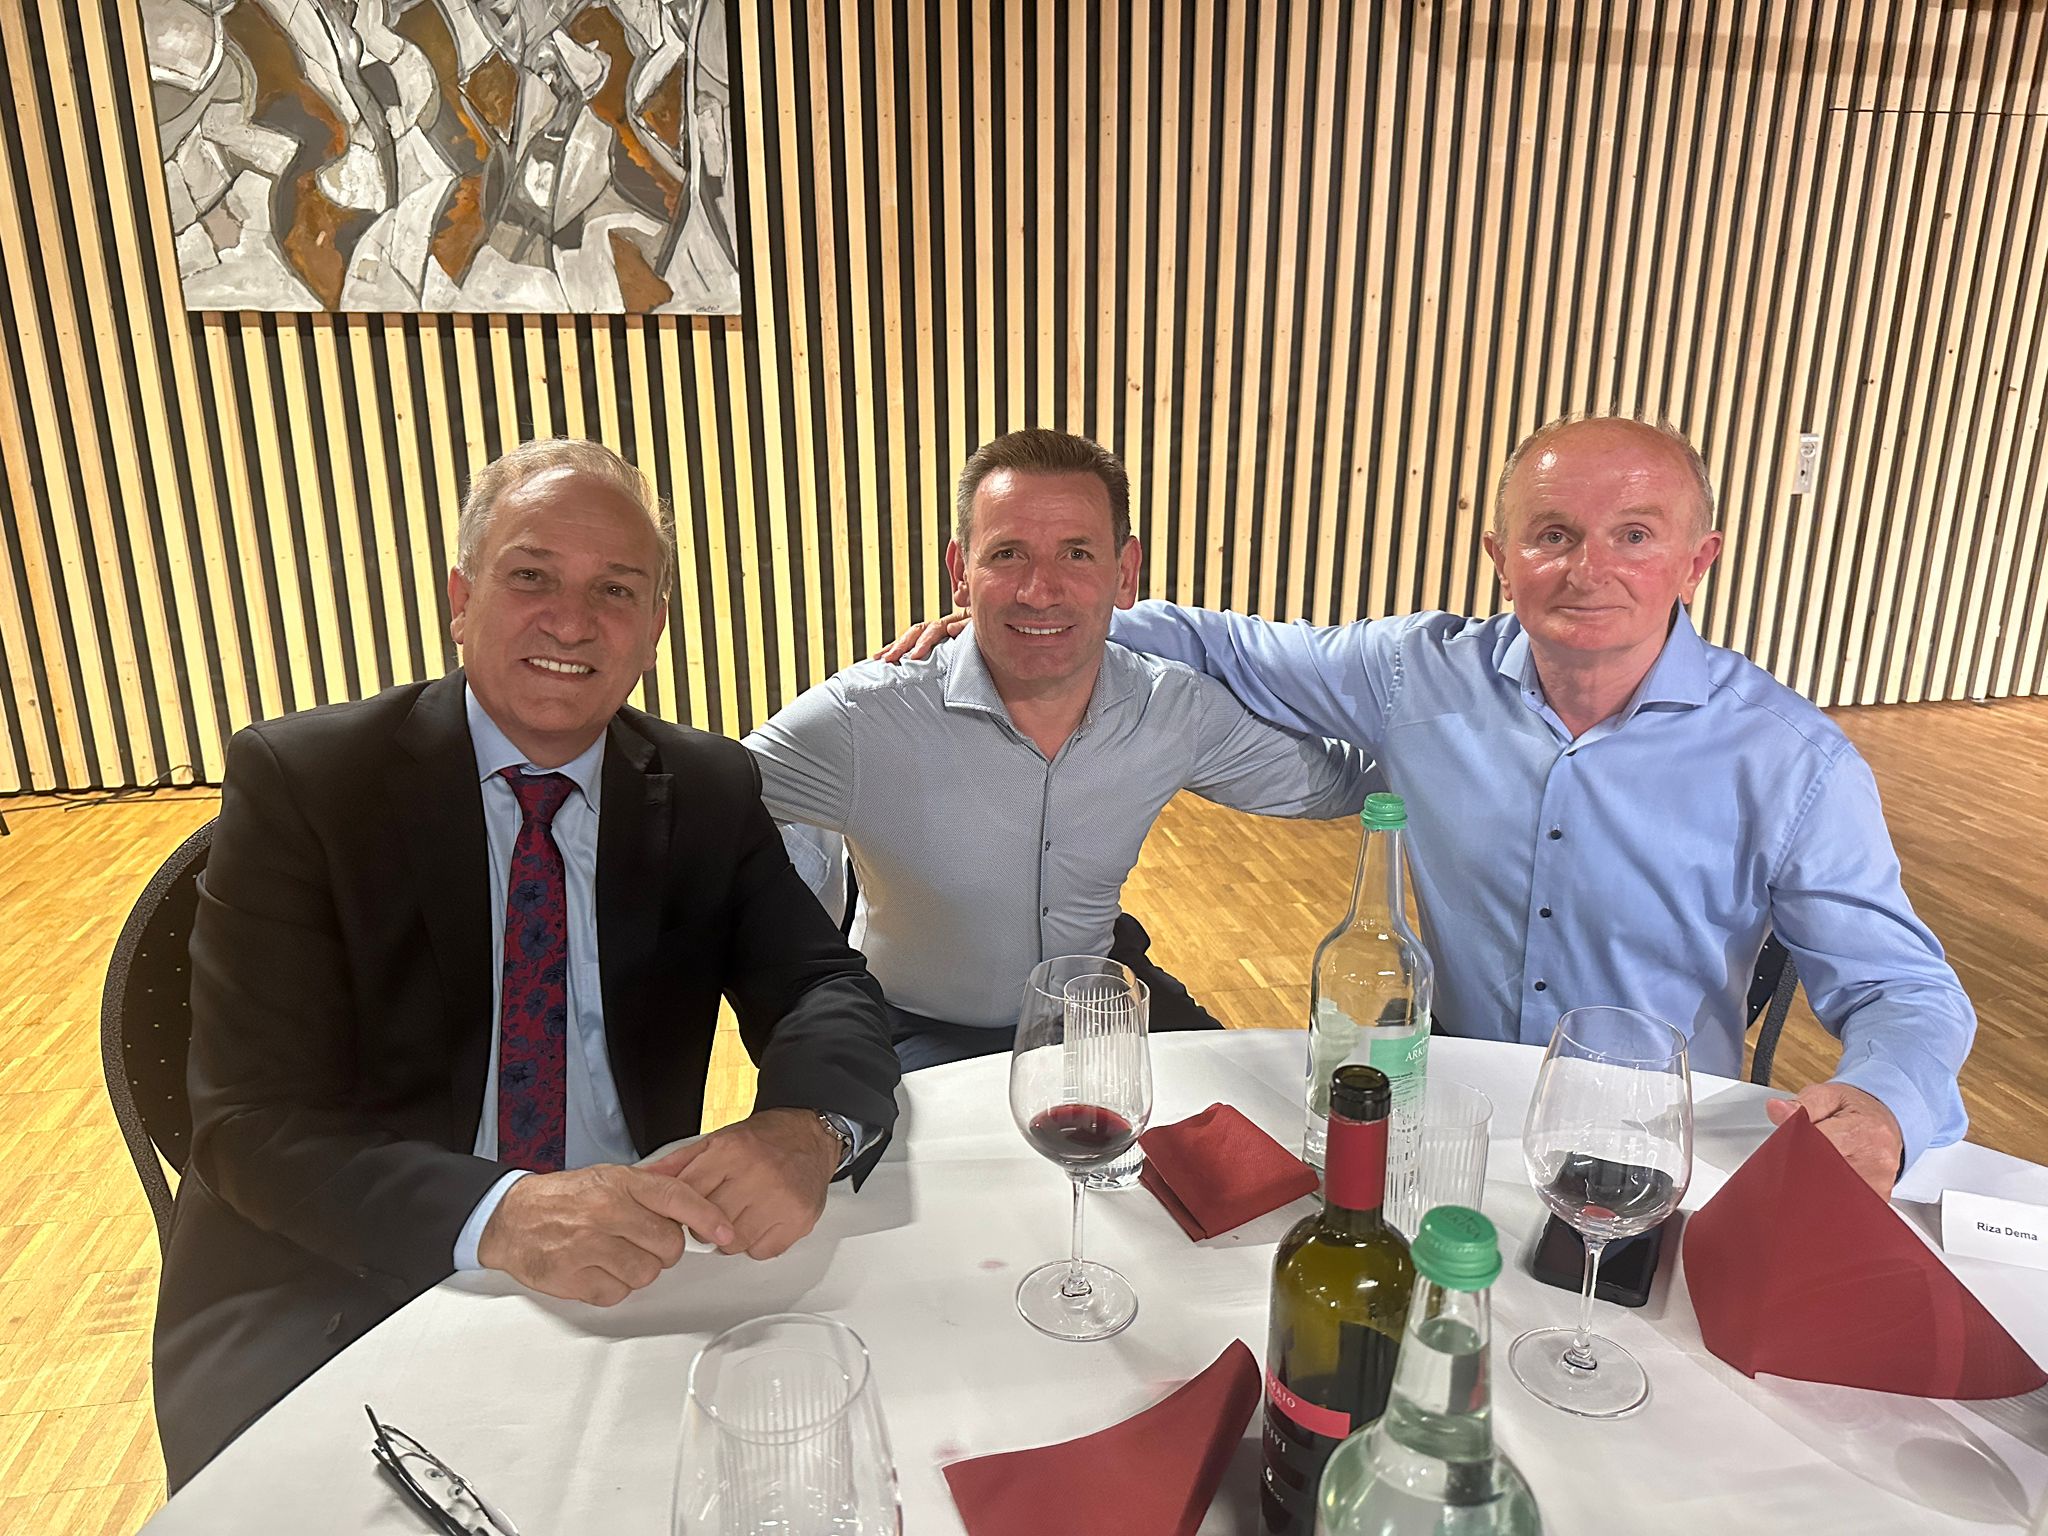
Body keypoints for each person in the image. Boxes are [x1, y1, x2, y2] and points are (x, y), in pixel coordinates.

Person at [884, 417, 1975, 1194]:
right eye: (1552, 534)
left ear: (1698, 561)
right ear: (1500, 557)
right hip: (1435, 1104)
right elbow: (1221, 642)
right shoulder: (1420, 672)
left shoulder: (1790, 761)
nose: (1587, 569)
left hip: (1646, 1143)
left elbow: (1901, 988)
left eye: (1635, 535)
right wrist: (1026, 621)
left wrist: (1886, 1100)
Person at [153, 439, 900, 1487]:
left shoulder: (704, 787)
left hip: (632, 1262)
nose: (571, 621)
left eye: (616, 590)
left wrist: (810, 1126)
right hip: (337, 1271)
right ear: (462, 600)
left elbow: (821, 982)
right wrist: (500, 1213)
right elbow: (249, 1123)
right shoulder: (309, 783)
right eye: (531, 576)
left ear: (654, 628)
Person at [743, 429, 1374, 1070]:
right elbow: (705, 798)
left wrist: (1429, 731)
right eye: (1008, 554)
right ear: (962, 573)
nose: (1039, 591)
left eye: (1076, 553)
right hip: (916, 1026)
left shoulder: (1174, 707)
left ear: (1125, 573)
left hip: (1099, 1004)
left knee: (1244, 1117)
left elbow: (1338, 785)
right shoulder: (867, 716)